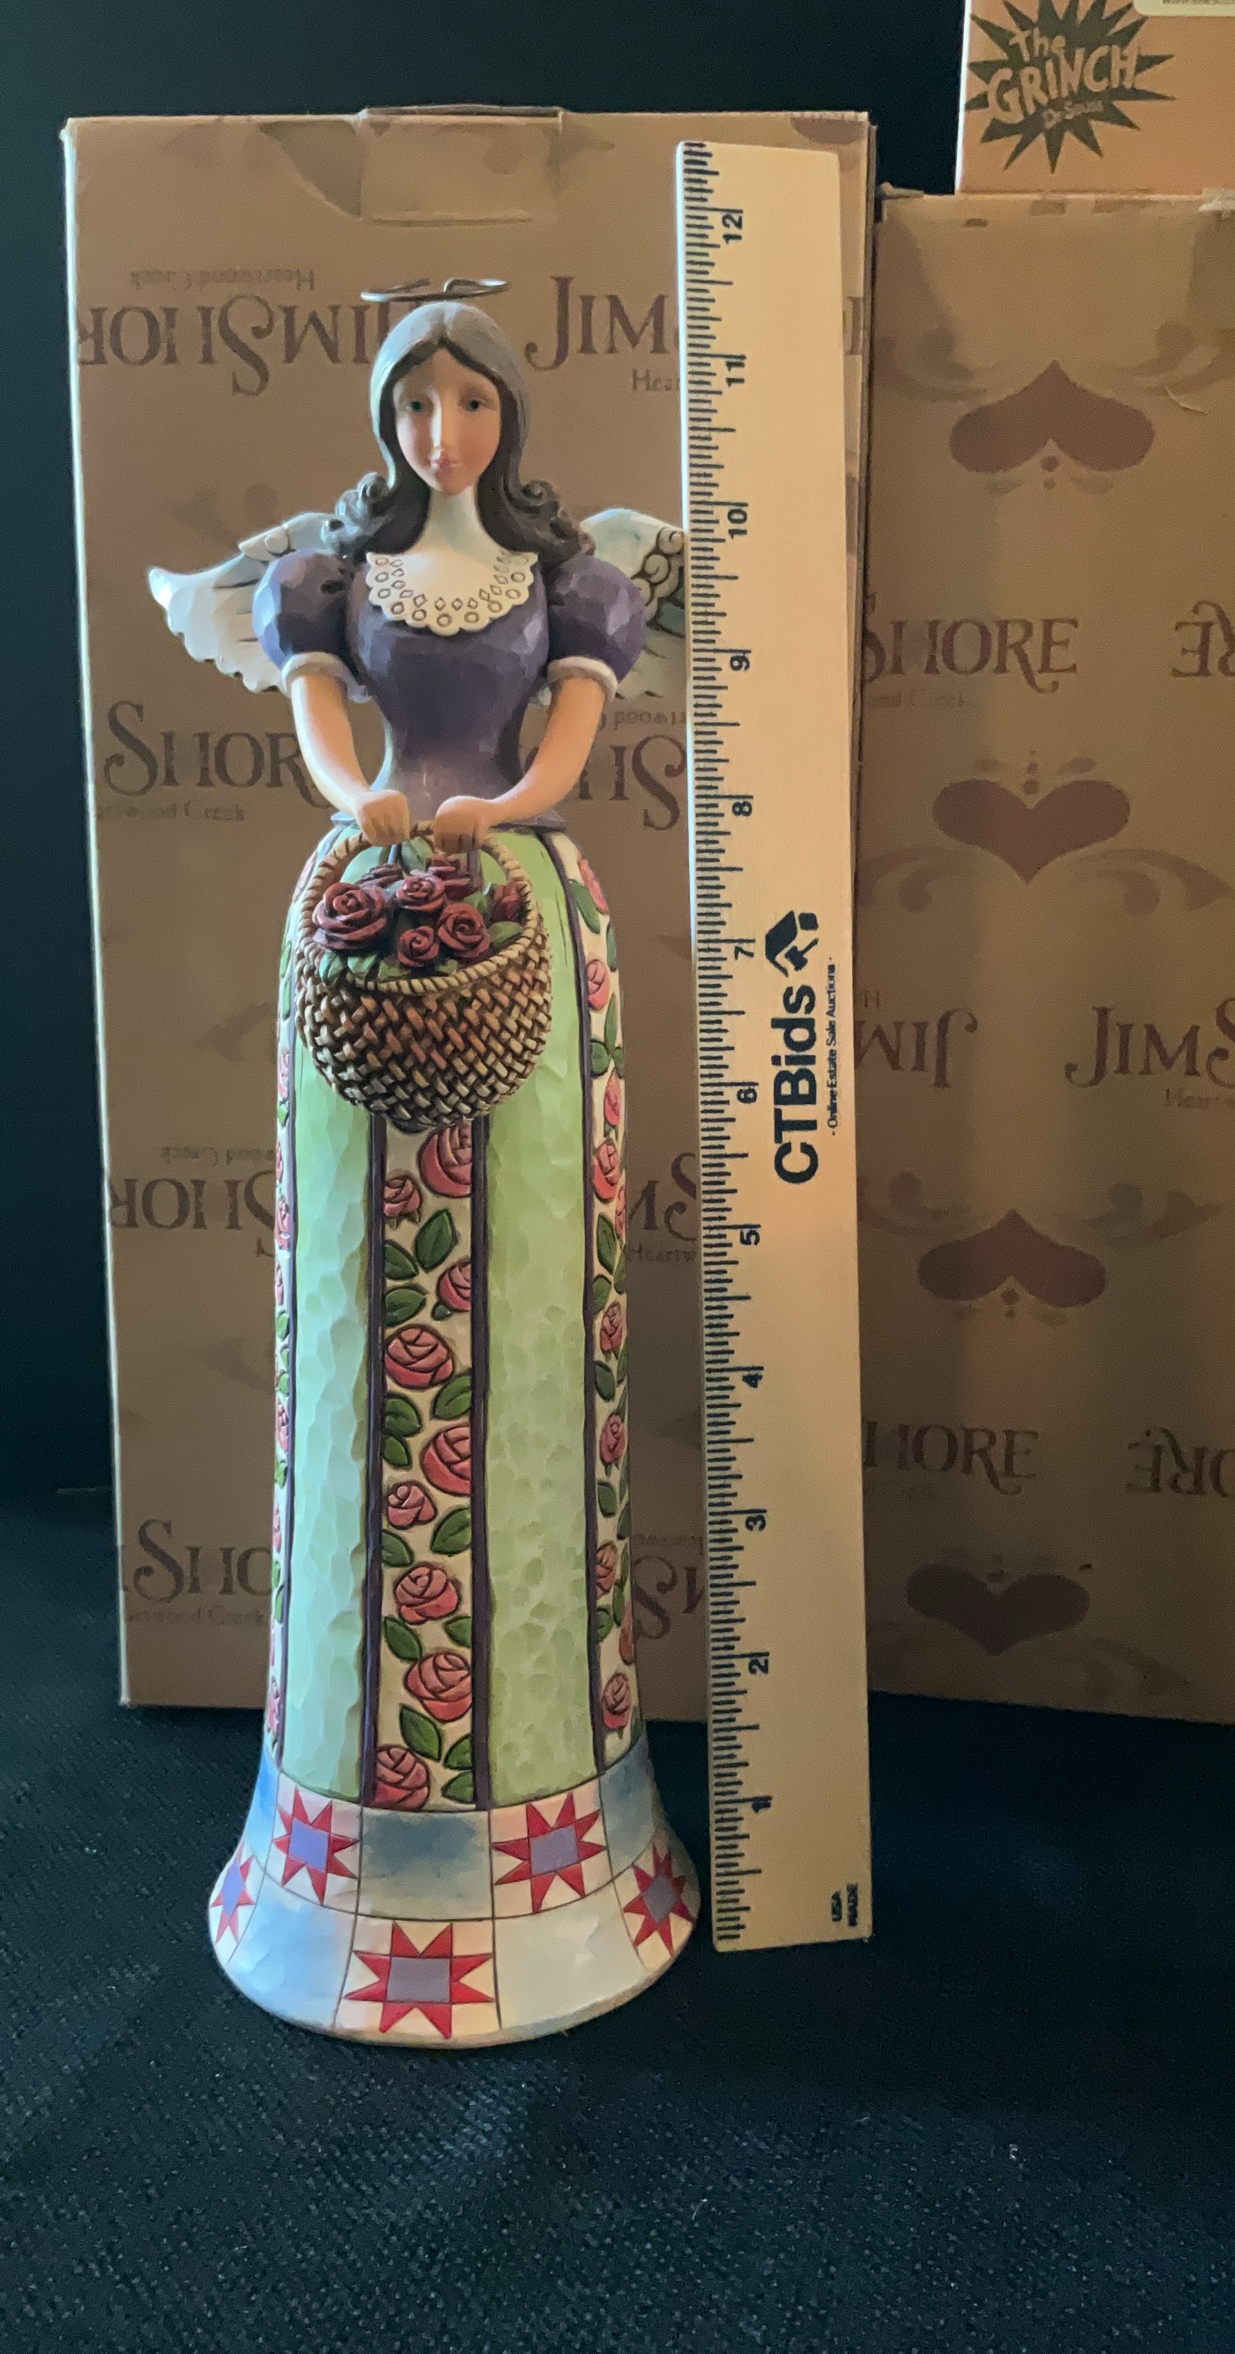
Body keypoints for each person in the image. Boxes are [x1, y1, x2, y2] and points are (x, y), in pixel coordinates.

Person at [154, 285, 697, 2044]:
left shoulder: (566, 582)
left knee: (536, 1313)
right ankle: (335, 1845)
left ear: (505, 417)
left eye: (468, 405)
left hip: (523, 904)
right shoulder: (330, 576)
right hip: (361, 898)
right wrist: (363, 806)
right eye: (415, 407)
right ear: (387, 419)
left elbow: (563, 749)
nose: (441, 435)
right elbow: (326, 732)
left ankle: (561, 1838)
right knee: (351, 1319)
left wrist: (500, 815)